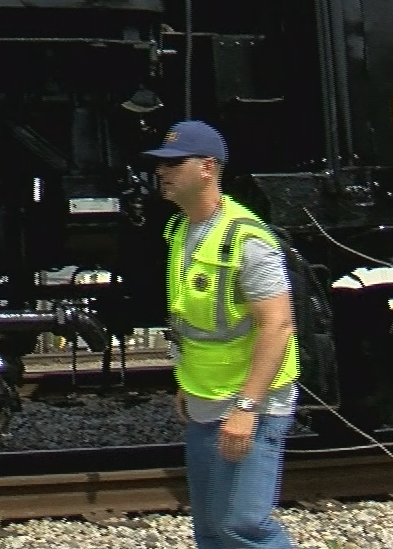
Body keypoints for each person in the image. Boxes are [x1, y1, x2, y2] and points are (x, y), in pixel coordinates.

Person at [145, 120, 299, 549]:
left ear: (208, 167)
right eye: (160, 165)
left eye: (175, 163)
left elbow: (278, 323)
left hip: (251, 403)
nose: (162, 172)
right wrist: (186, 385)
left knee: (244, 527)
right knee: (212, 531)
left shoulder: (245, 238)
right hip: (205, 399)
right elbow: (195, 323)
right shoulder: (180, 231)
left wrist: (247, 407)